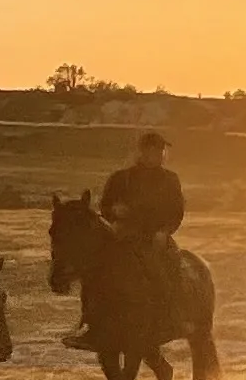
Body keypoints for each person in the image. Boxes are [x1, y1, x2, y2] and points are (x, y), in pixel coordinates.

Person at [81, 129, 189, 355]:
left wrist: (165, 231)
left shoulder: (170, 180)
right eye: (154, 150)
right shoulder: (121, 178)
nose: (159, 154)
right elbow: (106, 206)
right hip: (123, 237)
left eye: (161, 151)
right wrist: (115, 212)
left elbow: (177, 211)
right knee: (94, 273)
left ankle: (172, 318)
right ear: (142, 152)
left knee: (168, 269)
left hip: (156, 239)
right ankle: (92, 326)